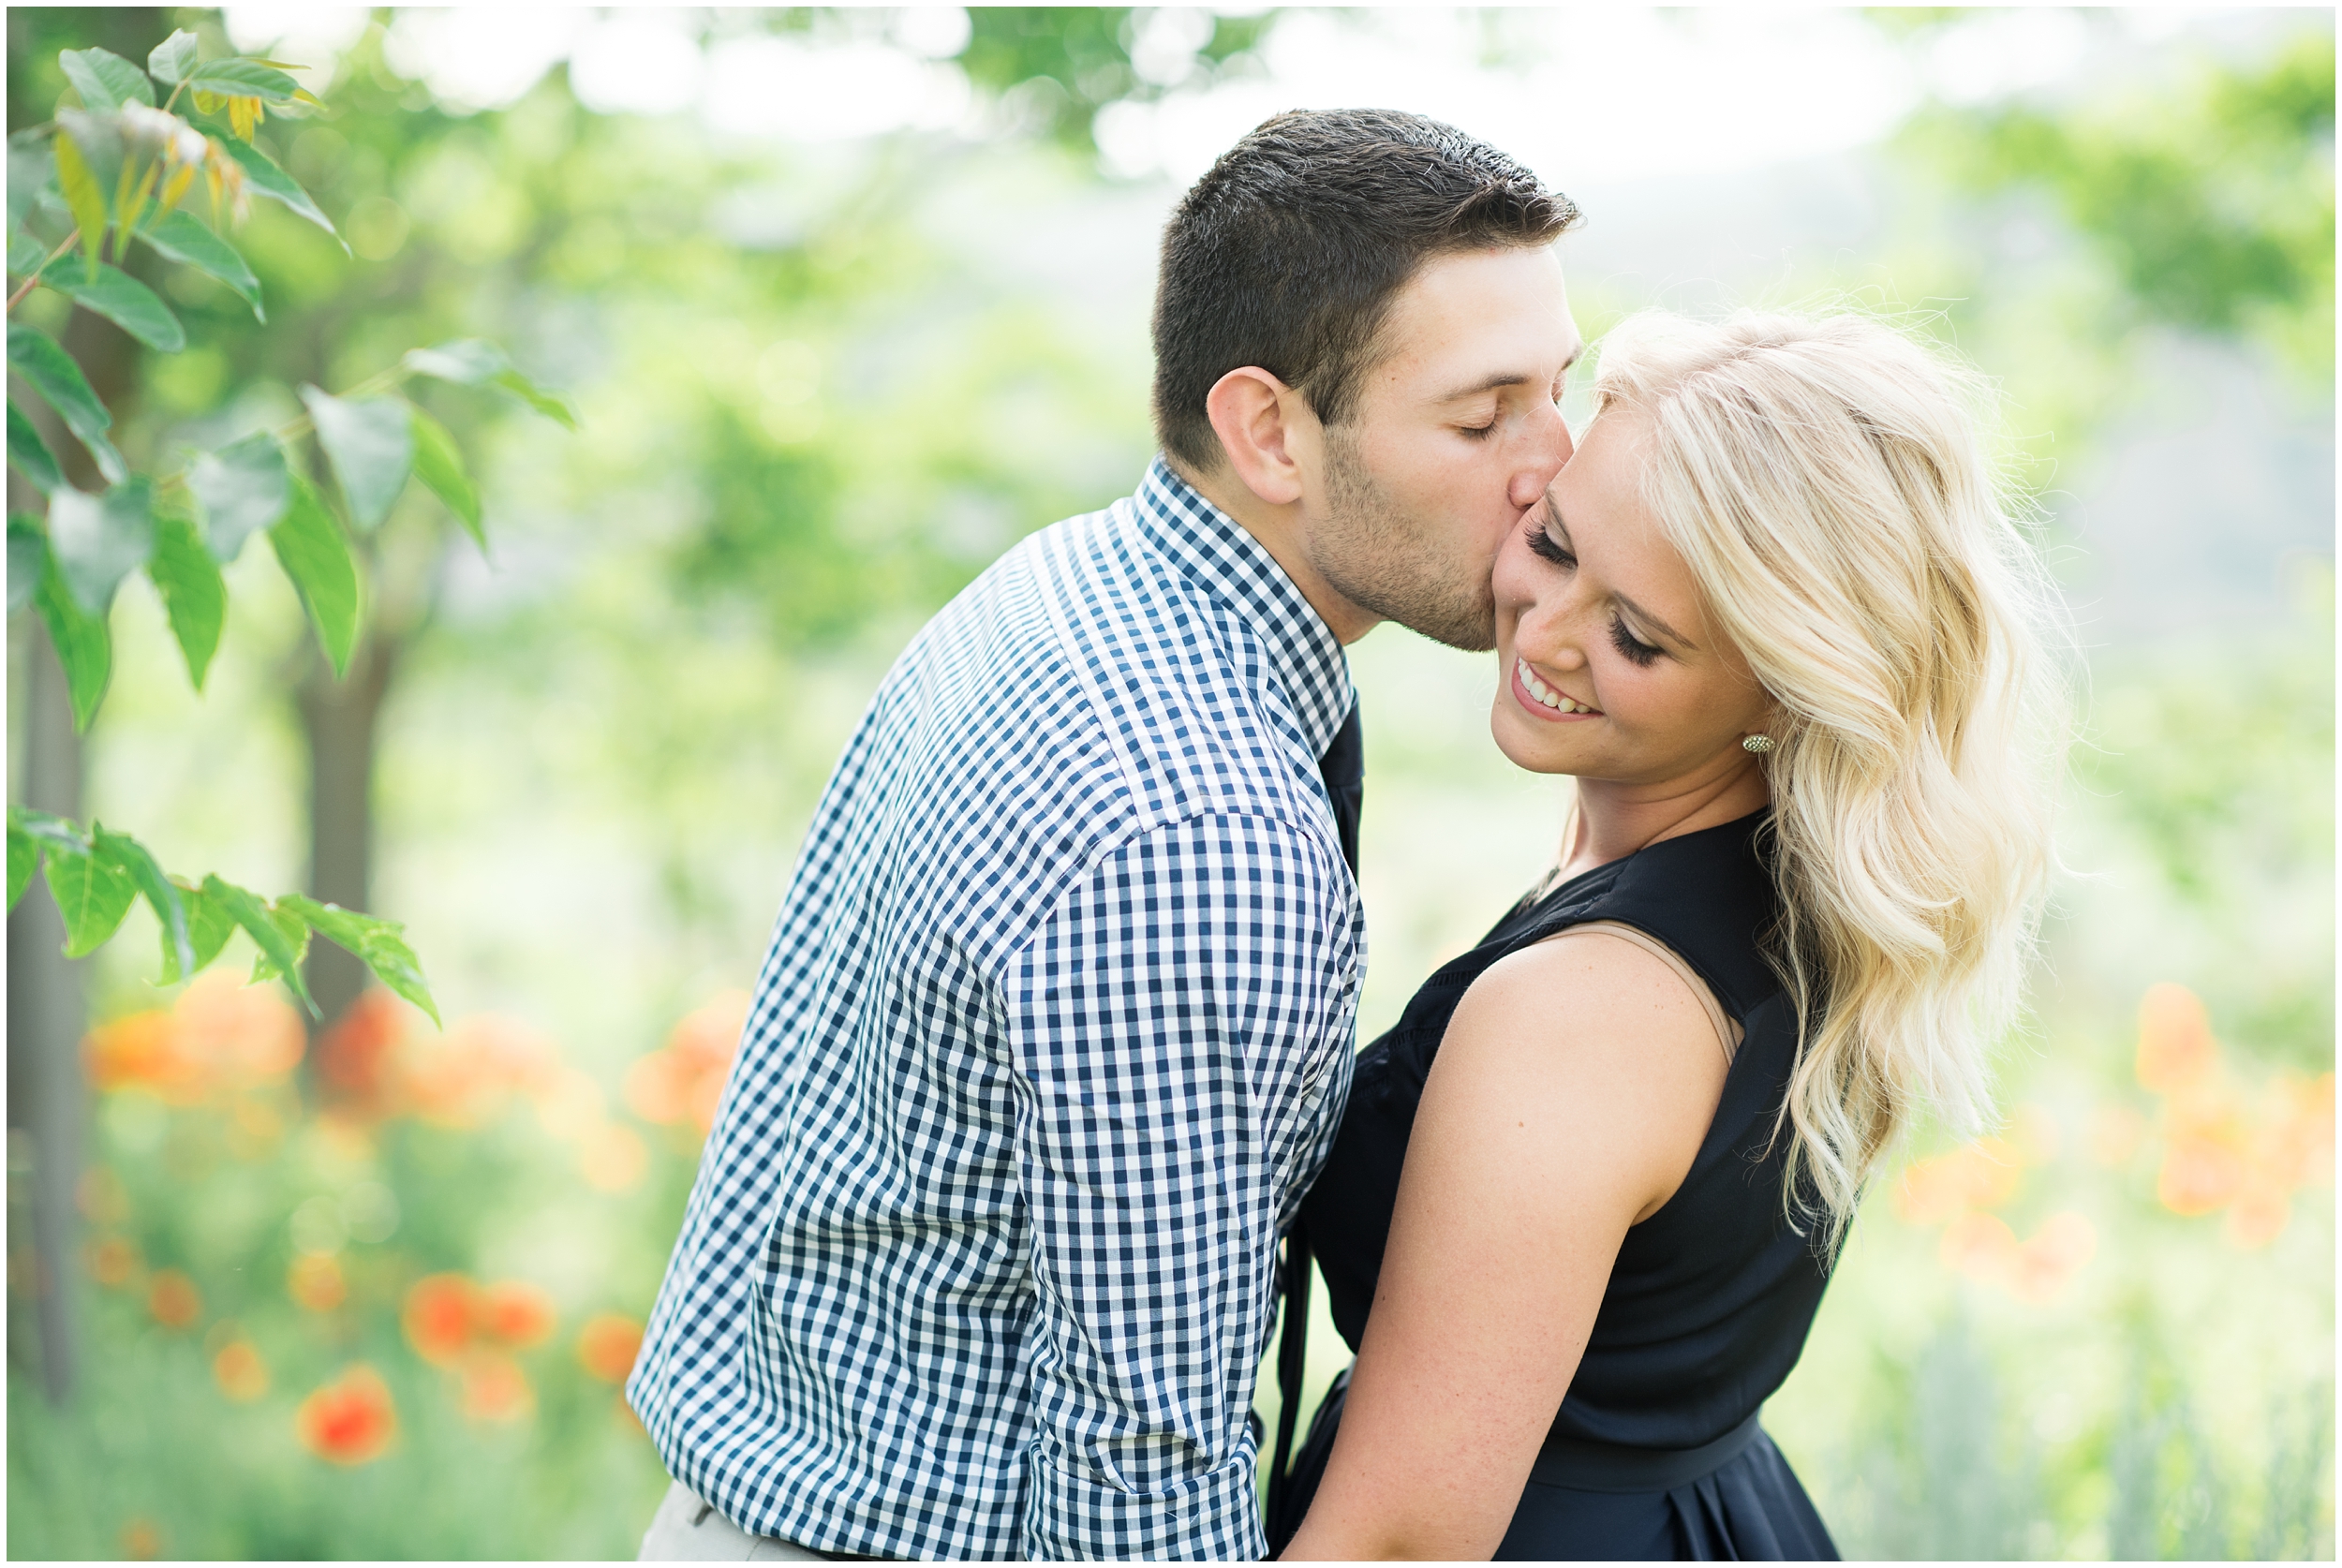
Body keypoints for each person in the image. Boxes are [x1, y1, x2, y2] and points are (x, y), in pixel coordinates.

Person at [628, 109, 1585, 1561]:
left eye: (1560, 389)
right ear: (1269, 428)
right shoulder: (1195, 827)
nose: (1555, 465)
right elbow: (1146, 1448)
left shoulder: (1069, 580)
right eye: (1482, 414)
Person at [1269, 309, 2066, 1561]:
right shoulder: (1799, 888)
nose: (1544, 630)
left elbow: (1403, 1541)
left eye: (1637, 635)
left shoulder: (1590, 1008)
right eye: (1553, 542)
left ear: (1786, 679)